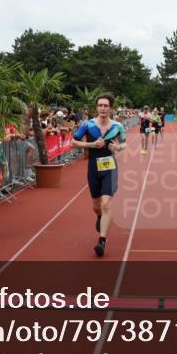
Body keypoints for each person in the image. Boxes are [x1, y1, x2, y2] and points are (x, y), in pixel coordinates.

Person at [71, 93, 126, 257]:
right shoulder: (87, 125)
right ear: (97, 107)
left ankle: (102, 241)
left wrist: (118, 148)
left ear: (110, 108)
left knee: (106, 203)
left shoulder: (117, 126)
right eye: (100, 105)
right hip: (93, 168)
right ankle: (100, 216)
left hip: (110, 167)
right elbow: (73, 142)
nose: (102, 108)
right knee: (96, 206)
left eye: (106, 106)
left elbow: (124, 143)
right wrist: (92, 144)